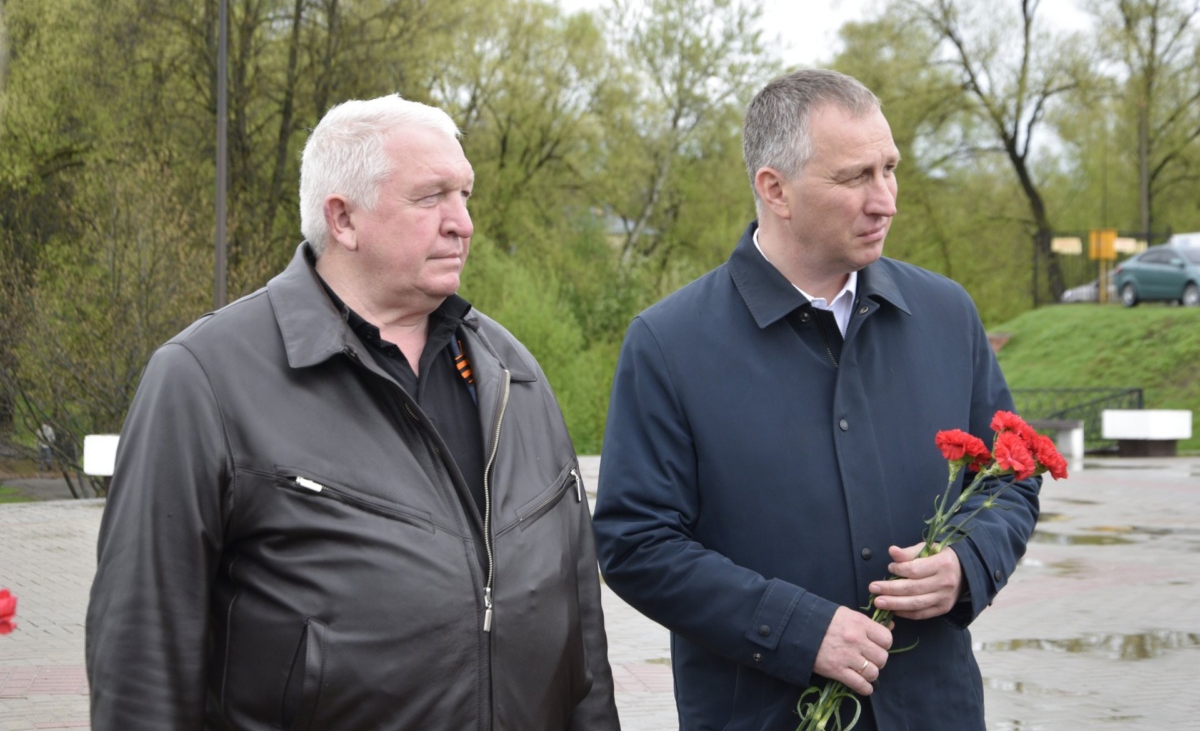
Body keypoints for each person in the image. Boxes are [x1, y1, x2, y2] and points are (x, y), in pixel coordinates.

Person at [86, 95, 620, 730]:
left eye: (465, 195)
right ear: (342, 219)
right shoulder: (204, 378)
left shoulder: (514, 372)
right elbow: (142, 656)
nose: (462, 223)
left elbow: (580, 634)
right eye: (431, 197)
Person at [592, 69, 1040, 731]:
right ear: (775, 189)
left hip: (935, 711)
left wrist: (968, 564)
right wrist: (794, 630)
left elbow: (1010, 479)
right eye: (855, 177)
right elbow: (636, 543)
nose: (885, 201)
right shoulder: (669, 343)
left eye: (890, 170)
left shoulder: (948, 314)